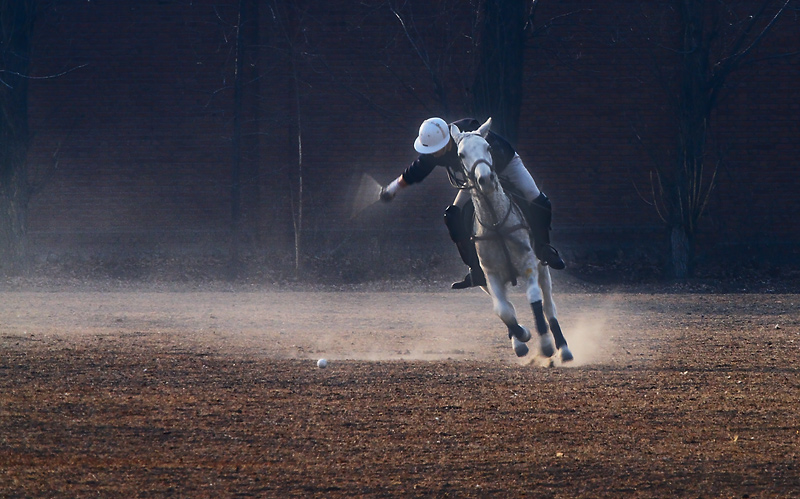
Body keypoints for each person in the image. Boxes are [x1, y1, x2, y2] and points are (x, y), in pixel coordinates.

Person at [380, 117, 565, 289]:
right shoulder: (435, 149)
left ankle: (544, 248)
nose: (433, 154)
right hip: (475, 178)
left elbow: (494, 155)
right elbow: (415, 171)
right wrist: (391, 189)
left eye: (435, 150)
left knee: (536, 198)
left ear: (447, 141)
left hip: (506, 164)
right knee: (452, 215)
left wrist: (489, 179)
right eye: (430, 151)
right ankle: (475, 269)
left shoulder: (470, 133)